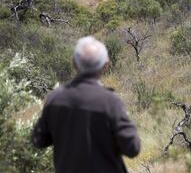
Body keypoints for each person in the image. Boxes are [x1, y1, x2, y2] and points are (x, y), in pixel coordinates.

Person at [32, 36, 140, 173]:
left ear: (74, 63)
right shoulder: (110, 102)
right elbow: (132, 148)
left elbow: (38, 139)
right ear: (106, 65)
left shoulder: (55, 98)